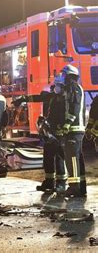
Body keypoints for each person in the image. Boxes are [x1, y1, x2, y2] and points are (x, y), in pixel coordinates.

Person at [60, 64, 87, 197]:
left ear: (69, 76)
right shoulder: (74, 88)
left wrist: (67, 124)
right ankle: (81, 188)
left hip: (74, 129)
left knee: (72, 159)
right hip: (76, 130)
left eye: (64, 75)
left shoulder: (74, 87)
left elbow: (74, 108)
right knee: (77, 159)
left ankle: (74, 187)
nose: (63, 77)